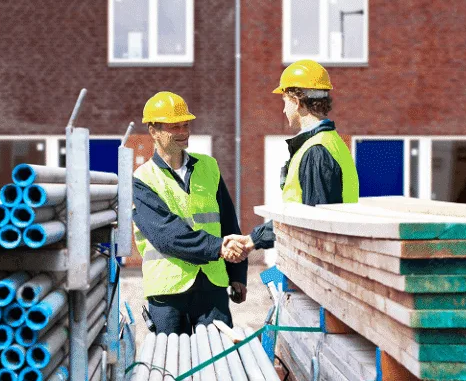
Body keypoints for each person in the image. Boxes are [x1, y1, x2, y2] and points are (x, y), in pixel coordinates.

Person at [132, 91, 248, 335]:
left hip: (212, 285)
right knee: (171, 366)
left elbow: (228, 221)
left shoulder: (209, 166)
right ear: (154, 131)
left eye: (186, 125)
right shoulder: (142, 180)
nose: (184, 132)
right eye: (175, 127)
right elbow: (167, 235)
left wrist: (237, 273)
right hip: (168, 291)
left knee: (216, 360)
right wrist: (219, 248)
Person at [228, 59, 360, 254]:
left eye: (285, 102)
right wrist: (252, 240)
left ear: (296, 102)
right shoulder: (331, 142)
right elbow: (299, 214)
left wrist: (253, 240)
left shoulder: (316, 151)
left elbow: (313, 225)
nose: (283, 110)